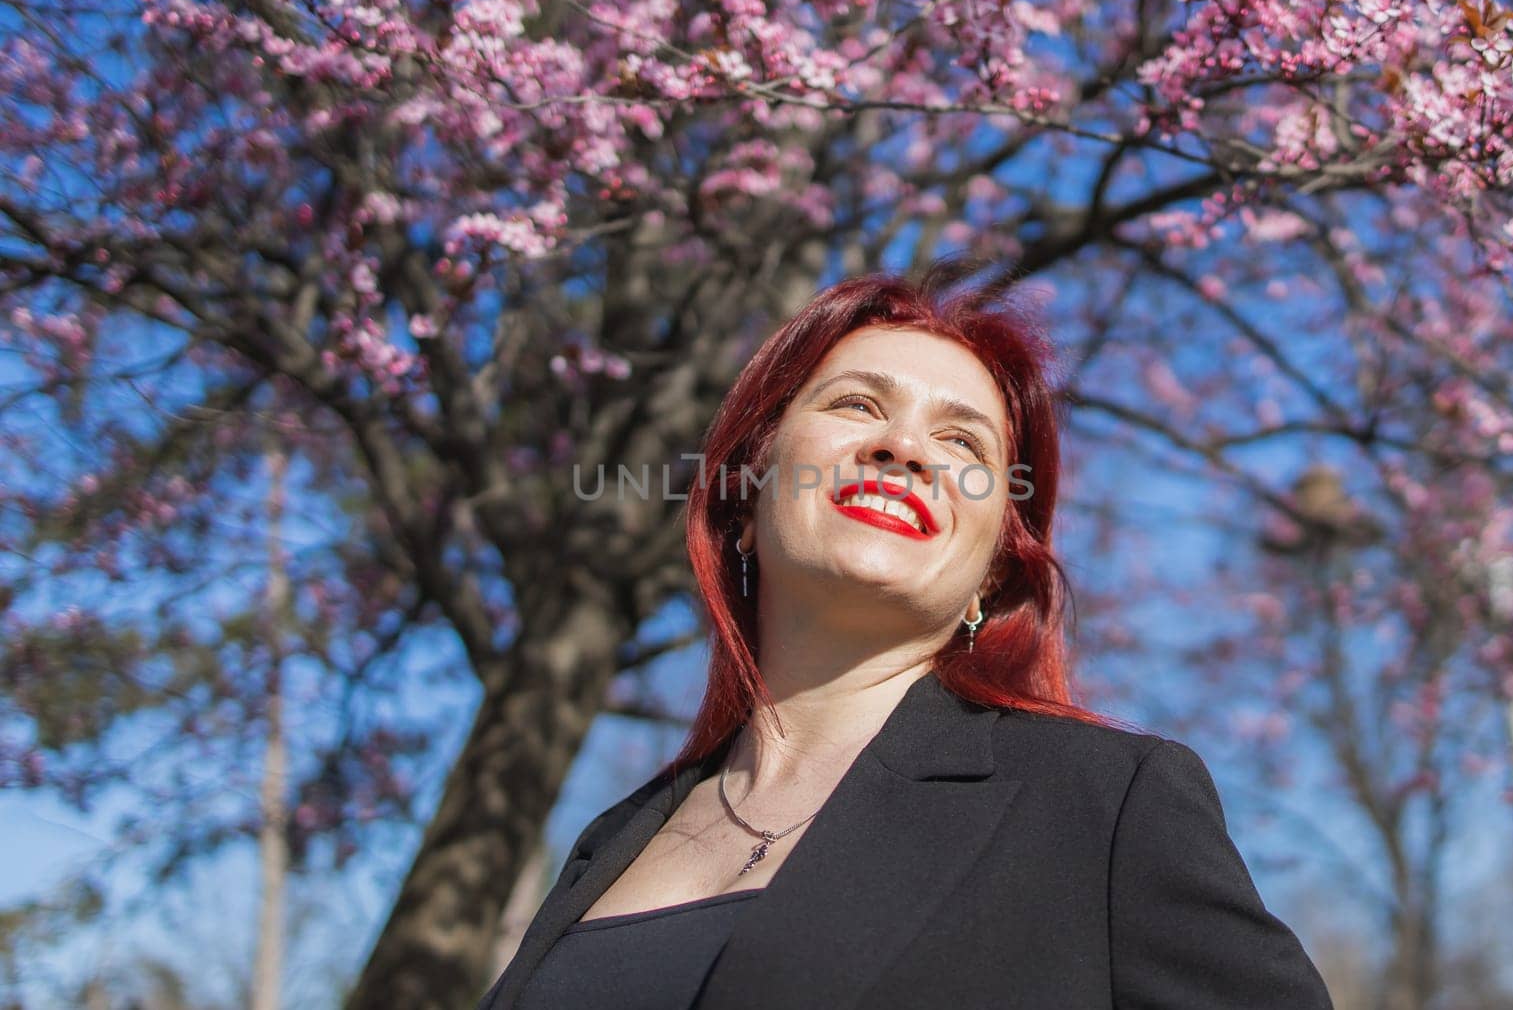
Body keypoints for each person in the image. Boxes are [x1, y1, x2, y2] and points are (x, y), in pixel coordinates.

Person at [479, 262, 1334, 1009]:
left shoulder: (1106, 806)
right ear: (745, 500)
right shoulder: (610, 842)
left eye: (962, 440)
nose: (903, 447)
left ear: (997, 570)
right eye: (856, 404)